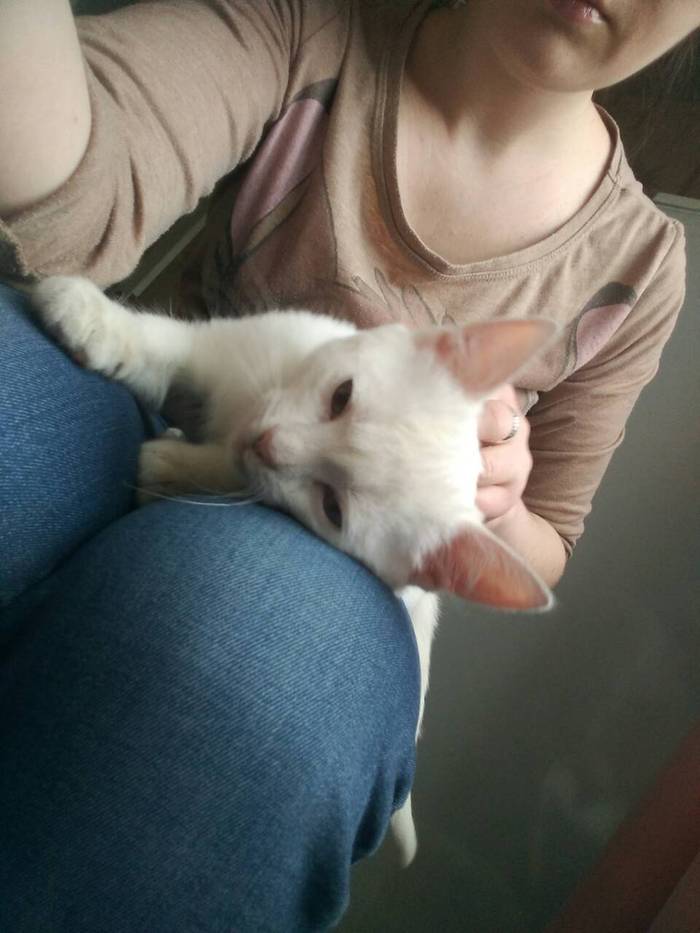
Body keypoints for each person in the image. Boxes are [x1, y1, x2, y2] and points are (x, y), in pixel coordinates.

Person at [0, 0, 698, 929]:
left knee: (239, 659)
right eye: (336, 401)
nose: (275, 448)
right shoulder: (312, 29)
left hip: (316, 573)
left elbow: (551, 541)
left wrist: (497, 504)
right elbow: (81, 195)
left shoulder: (639, 262)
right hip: (134, 411)